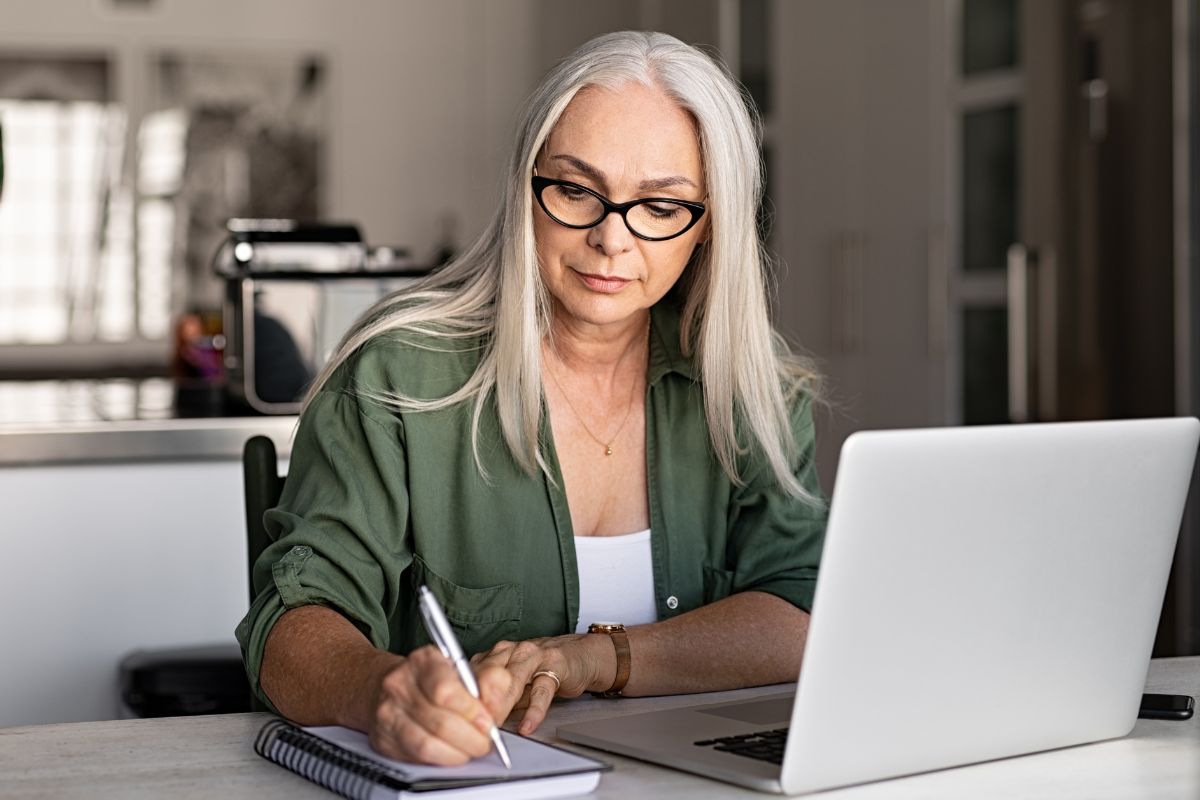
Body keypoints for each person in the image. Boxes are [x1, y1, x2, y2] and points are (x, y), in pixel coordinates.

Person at [236, 30, 827, 767]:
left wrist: (592, 659)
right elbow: (290, 625)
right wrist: (378, 691)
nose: (612, 239)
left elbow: (801, 613)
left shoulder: (753, 386)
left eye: (661, 205)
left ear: (709, 226)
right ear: (527, 188)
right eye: (577, 190)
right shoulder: (396, 373)